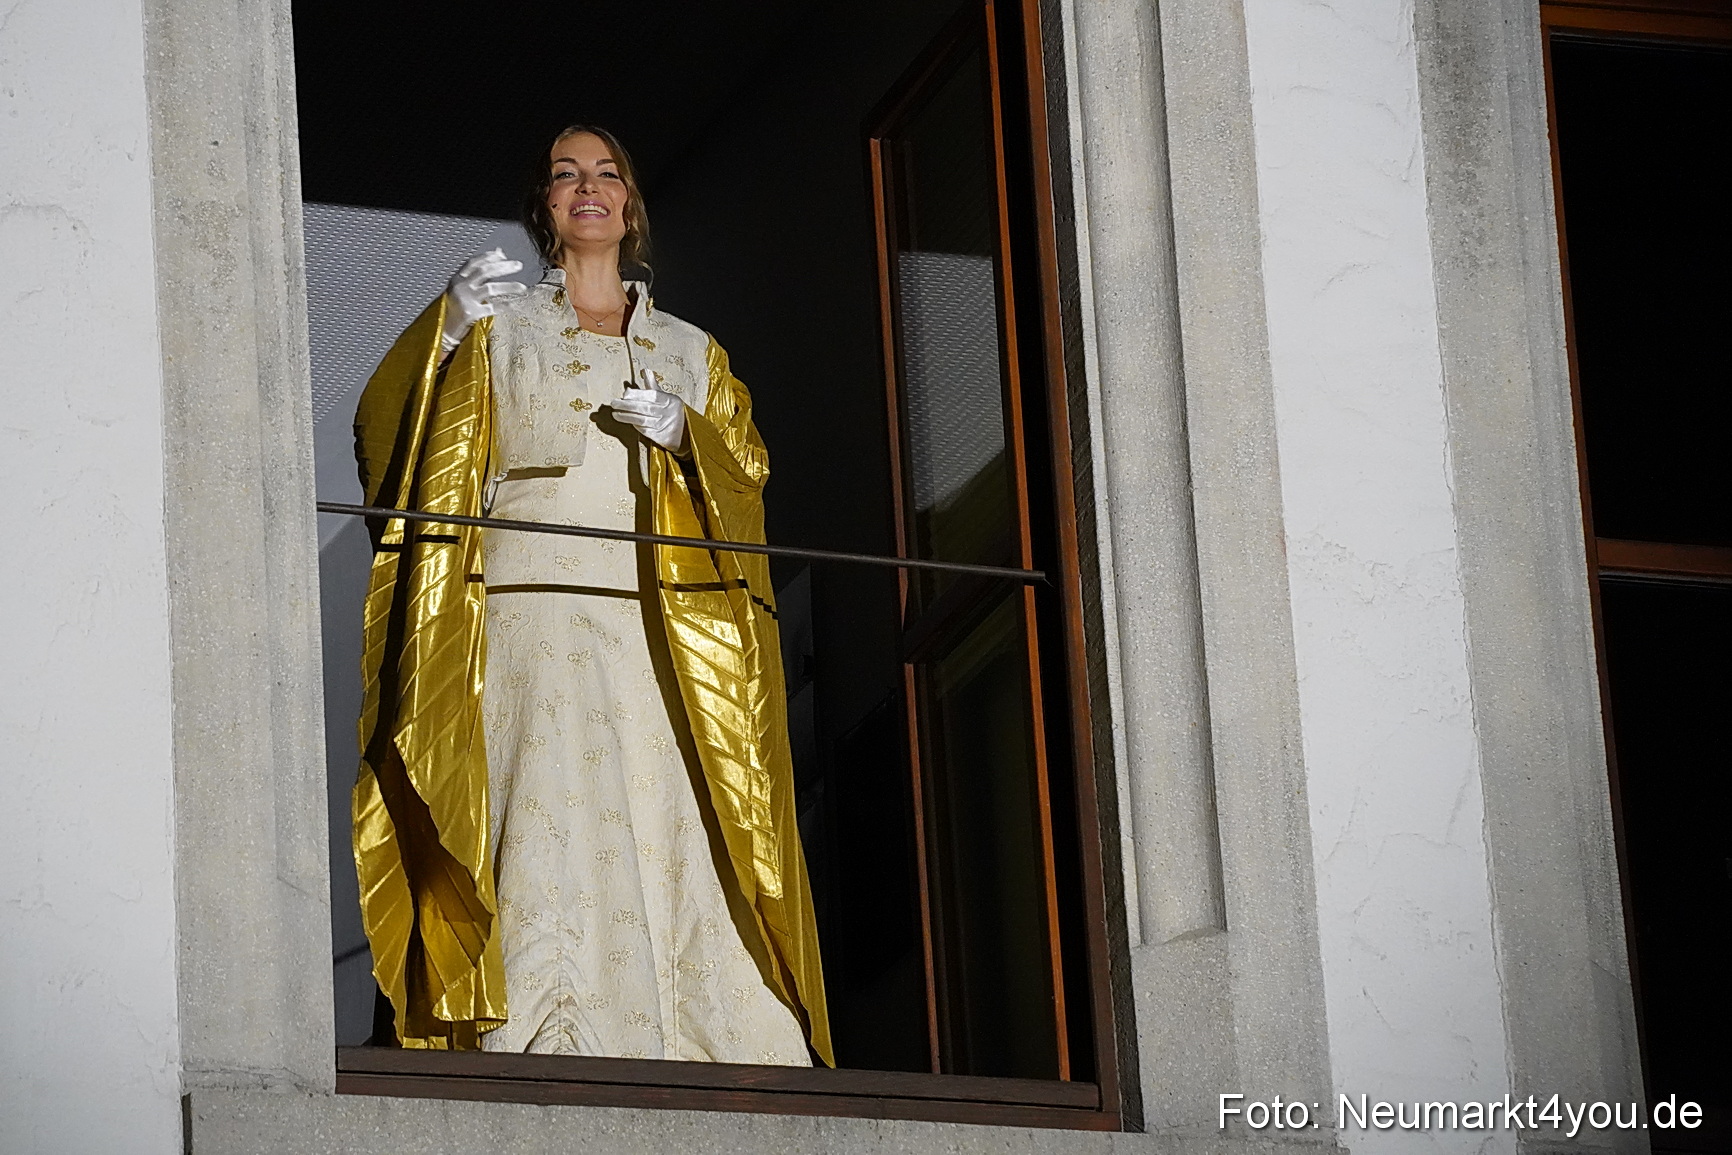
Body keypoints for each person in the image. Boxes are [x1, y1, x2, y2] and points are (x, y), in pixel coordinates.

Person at [350, 125, 830, 1065]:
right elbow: (388, 437)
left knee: (673, 812)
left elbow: (749, 482)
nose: (588, 188)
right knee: (546, 804)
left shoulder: (691, 349)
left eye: (607, 174)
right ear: (545, 205)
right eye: (566, 175)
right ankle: (539, 1030)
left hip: (664, 623)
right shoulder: (499, 327)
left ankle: (701, 1040)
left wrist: (689, 435)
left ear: (630, 204)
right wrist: (444, 326)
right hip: (527, 611)